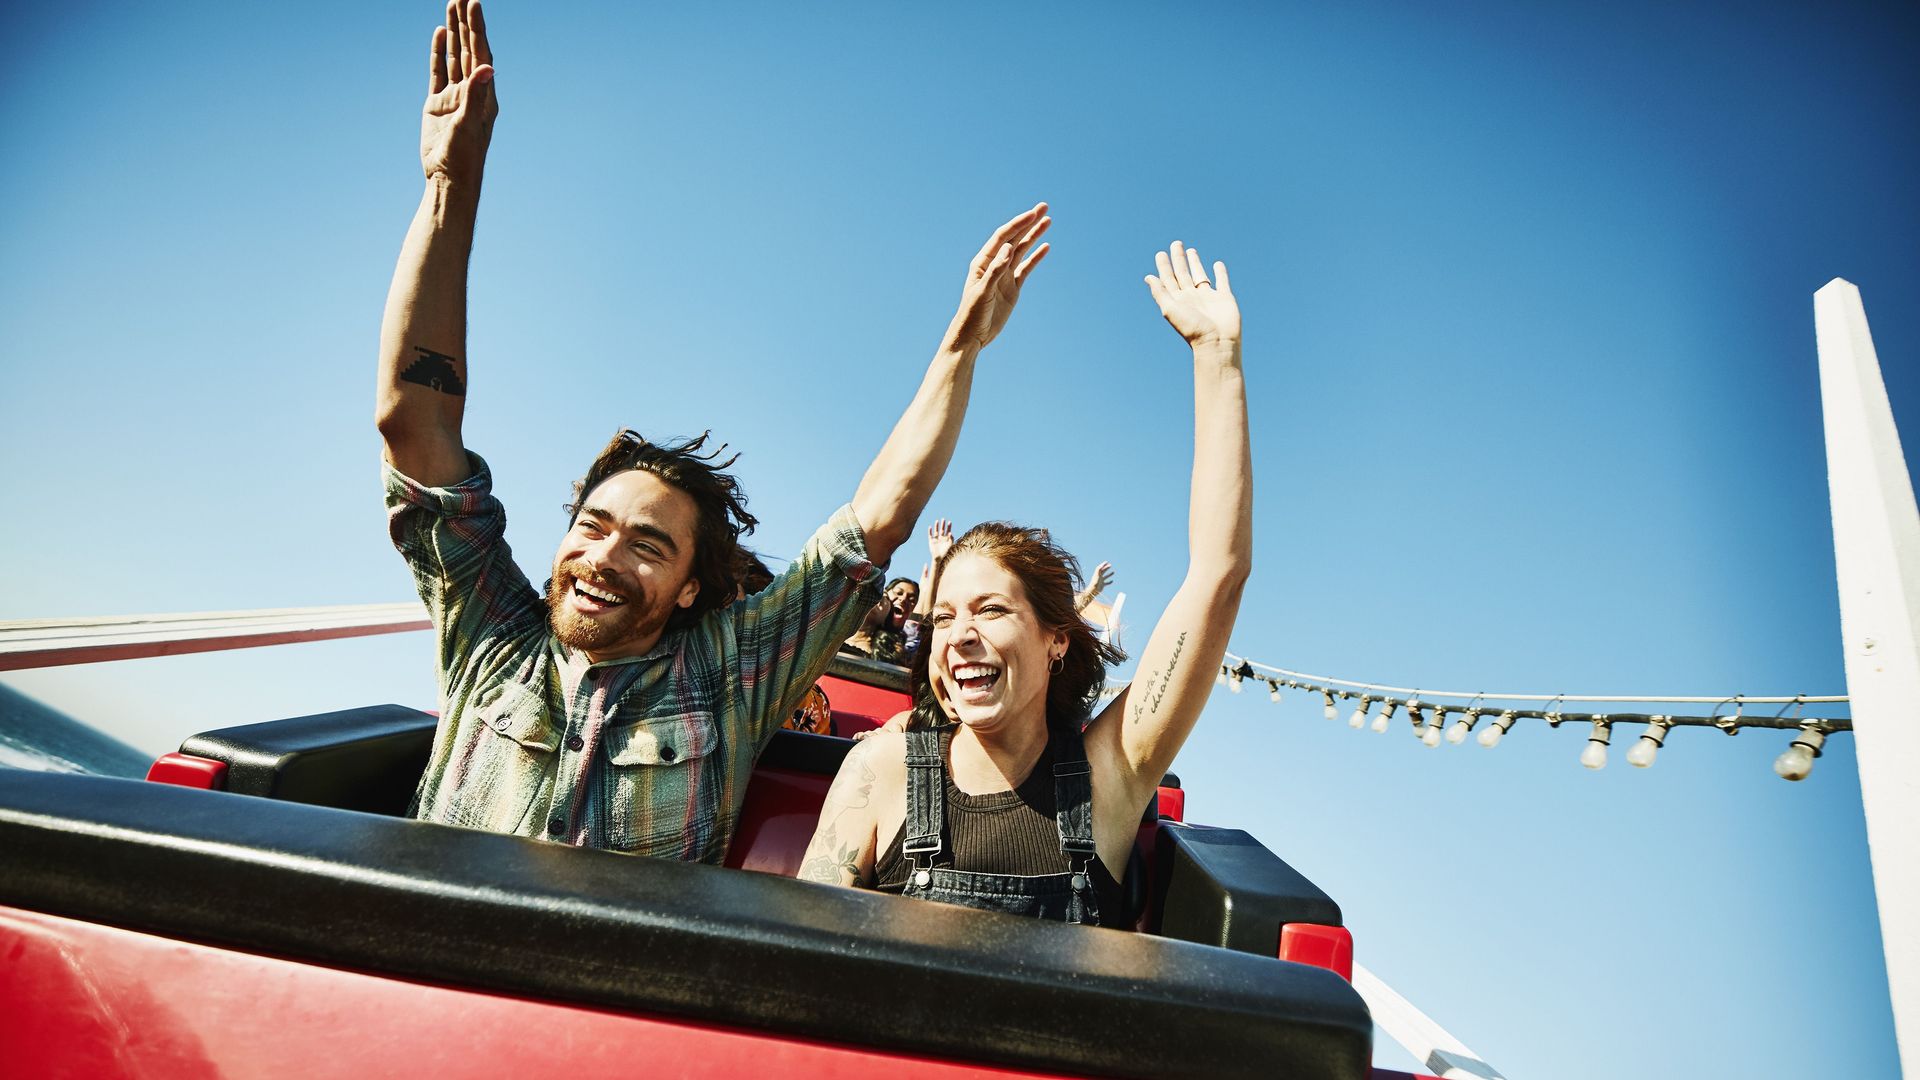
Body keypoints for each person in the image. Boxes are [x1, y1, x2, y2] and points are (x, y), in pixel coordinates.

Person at [376, 2, 1052, 860]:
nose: (604, 557)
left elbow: (876, 521)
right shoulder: (490, 630)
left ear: (693, 588)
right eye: (593, 527)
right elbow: (414, 419)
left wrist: (962, 343)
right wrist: (450, 185)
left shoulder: (727, 677)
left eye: (649, 547)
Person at [798, 241, 1252, 926]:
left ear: (1056, 641)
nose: (960, 638)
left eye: (989, 609)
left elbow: (1218, 574)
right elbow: (798, 961)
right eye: (944, 618)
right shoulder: (882, 767)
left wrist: (1217, 357)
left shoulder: (1111, 774)